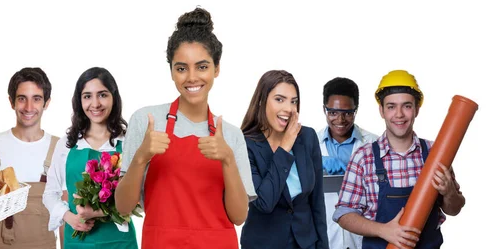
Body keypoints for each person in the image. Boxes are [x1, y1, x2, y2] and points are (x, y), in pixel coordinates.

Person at [115, 7, 257, 249]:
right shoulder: (146, 121)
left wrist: (228, 160)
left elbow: (239, 216)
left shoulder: (230, 135)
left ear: (217, 68)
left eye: (202, 67)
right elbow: (123, 207)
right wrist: (141, 158)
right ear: (171, 70)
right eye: (181, 68)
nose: (192, 77)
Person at [333, 70, 465, 249]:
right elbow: (344, 214)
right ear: (381, 110)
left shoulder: (437, 153)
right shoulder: (363, 157)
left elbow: (454, 209)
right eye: (391, 106)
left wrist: (449, 192)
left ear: (417, 109)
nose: (399, 114)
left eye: (407, 106)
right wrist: (383, 230)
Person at [43, 67, 138, 249]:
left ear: (114, 97)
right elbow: (50, 194)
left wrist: (96, 212)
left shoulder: (127, 143)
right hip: (78, 241)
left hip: (119, 242)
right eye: (87, 96)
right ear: (79, 101)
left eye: (102, 95)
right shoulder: (66, 145)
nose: (95, 104)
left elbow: (138, 197)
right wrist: (70, 218)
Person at [239, 70, 329, 249]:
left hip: (306, 243)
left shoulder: (307, 137)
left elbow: (317, 202)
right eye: (279, 99)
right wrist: (285, 147)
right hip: (263, 244)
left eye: (293, 101)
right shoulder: (245, 144)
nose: (288, 108)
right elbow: (264, 202)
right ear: (262, 101)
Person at [0, 67, 62, 249]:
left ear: (46, 103)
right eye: (22, 99)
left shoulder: (60, 149)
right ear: (11, 102)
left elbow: (65, 215)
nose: (29, 108)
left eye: (36, 99)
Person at [317, 77, 378, 249]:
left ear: (356, 110)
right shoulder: (310, 144)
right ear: (324, 109)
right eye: (333, 112)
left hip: (363, 237)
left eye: (347, 113)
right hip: (325, 237)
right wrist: (313, 162)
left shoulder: (375, 144)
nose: (340, 119)